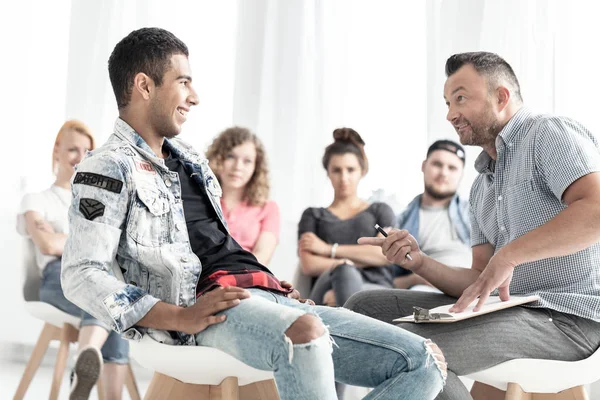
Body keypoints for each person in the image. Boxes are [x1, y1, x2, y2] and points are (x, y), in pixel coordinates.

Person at [60, 27, 445, 400]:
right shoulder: (107, 167)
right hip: (206, 311)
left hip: (269, 297)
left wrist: (270, 282)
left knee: (425, 360)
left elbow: (218, 244)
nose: (194, 96)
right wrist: (179, 316)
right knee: (305, 336)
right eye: (183, 82)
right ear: (145, 86)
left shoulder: (191, 159)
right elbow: (81, 274)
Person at [347, 51, 600, 400]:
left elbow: (596, 209)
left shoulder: (547, 133)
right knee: (361, 312)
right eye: (448, 102)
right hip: (511, 311)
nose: (451, 114)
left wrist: (510, 255)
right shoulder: (482, 185)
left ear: (501, 96)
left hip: (570, 319)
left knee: (410, 346)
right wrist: (418, 262)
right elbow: (479, 280)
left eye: (461, 98)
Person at [17, 120, 130, 400]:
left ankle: (85, 364)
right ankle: (89, 368)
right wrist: (92, 239)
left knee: (115, 300)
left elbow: (114, 247)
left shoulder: (101, 202)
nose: (80, 158)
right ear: (56, 151)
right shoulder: (36, 199)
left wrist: (63, 238)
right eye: (72, 149)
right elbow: (46, 244)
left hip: (98, 275)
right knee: (109, 298)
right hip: (56, 278)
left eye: (87, 151)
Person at [298, 128, 396, 307]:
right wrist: (348, 264)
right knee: (344, 270)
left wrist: (328, 249)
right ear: (327, 172)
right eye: (336, 170)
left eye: (350, 170)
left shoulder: (380, 211)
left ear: (362, 171)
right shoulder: (313, 215)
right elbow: (309, 264)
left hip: (375, 289)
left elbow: (384, 255)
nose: (344, 178)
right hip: (326, 287)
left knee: (346, 273)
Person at [393, 139, 471, 291]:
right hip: (427, 288)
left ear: (461, 174)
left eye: (452, 168)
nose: (443, 173)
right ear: (424, 166)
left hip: (473, 285)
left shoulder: (476, 211)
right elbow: (390, 279)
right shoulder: (402, 220)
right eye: (437, 164)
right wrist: (415, 279)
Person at [206, 126, 279, 266]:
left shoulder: (268, 208)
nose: (238, 167)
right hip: (206, 278)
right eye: (230, 156)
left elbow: (263, 256)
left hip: (248, 276)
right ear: (217, 158)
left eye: (247, 161)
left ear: (256, 168)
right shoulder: (201, 201)